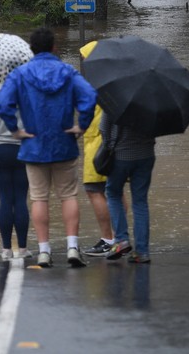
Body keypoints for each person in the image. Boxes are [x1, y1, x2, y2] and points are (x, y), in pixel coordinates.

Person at [0, 27, 97, 268]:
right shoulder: (68, 72)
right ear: (55, 47)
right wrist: (81, 126)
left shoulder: (20, 74)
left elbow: (3, 104)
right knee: (68, 195)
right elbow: (90, 96)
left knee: (39, 198)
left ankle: (44, 251)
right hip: (64, 142)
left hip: (33, 145)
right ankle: (73, 247)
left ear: (32, 49)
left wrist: (15, 130)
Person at [0, 88, 31, 261]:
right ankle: (23, 248)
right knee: (20, 199)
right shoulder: (25, 89)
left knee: (5, 198)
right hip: (23, 148)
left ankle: (6, 249)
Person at [101, 114, 157, 264]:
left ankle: (121, 240)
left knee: (113, 194)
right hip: (146, 155)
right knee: (140, 202)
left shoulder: (115, 97)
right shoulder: (153, 101)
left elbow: (104, 127)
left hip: (121, 155)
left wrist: (108, 147)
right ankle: (142, 252)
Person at [79, 41, 115, 258]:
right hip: (116, 145)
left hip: (96, 144)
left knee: (94, 189)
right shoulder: (115, 83)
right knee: (115, 191)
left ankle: (108, 239)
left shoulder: (91, 85)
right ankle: (120, 237)